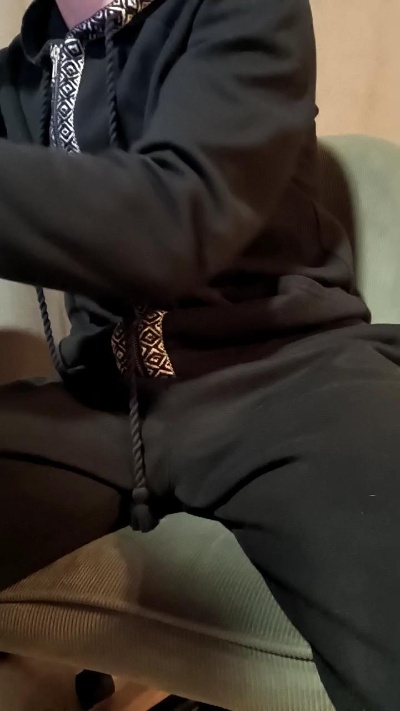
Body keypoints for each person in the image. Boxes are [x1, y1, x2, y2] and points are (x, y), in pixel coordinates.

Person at [0, 0, 399, 708]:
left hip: (285, 376)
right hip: (107, 395)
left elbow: (175, 220)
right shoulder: (26, 67)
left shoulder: (245, 10)